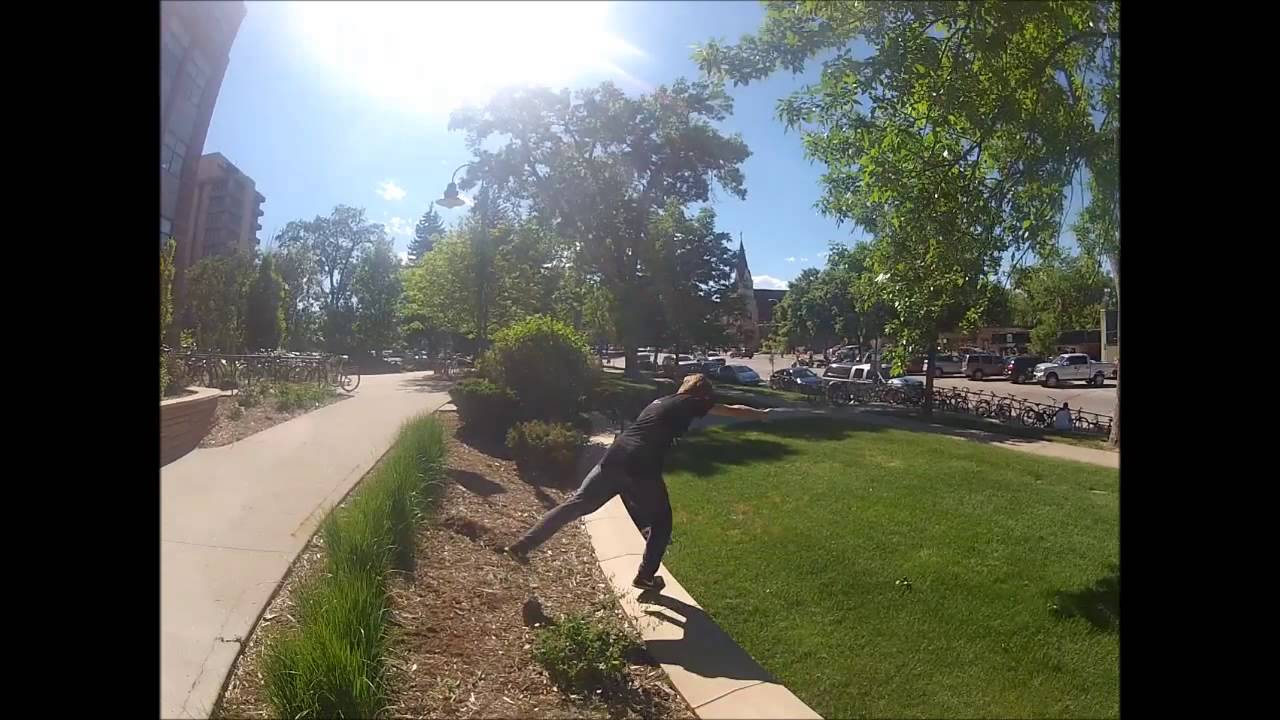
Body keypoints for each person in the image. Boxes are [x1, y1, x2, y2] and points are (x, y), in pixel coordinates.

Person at [502, 373, 771, 590]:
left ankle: (523, 544)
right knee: (662, 522)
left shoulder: (661, 401)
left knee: (576, 505)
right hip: (641, 467)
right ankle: (645, 577)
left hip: (613, 459)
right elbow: (732, 410)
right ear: (700, 393)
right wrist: (759, 414)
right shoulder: (691, 401)